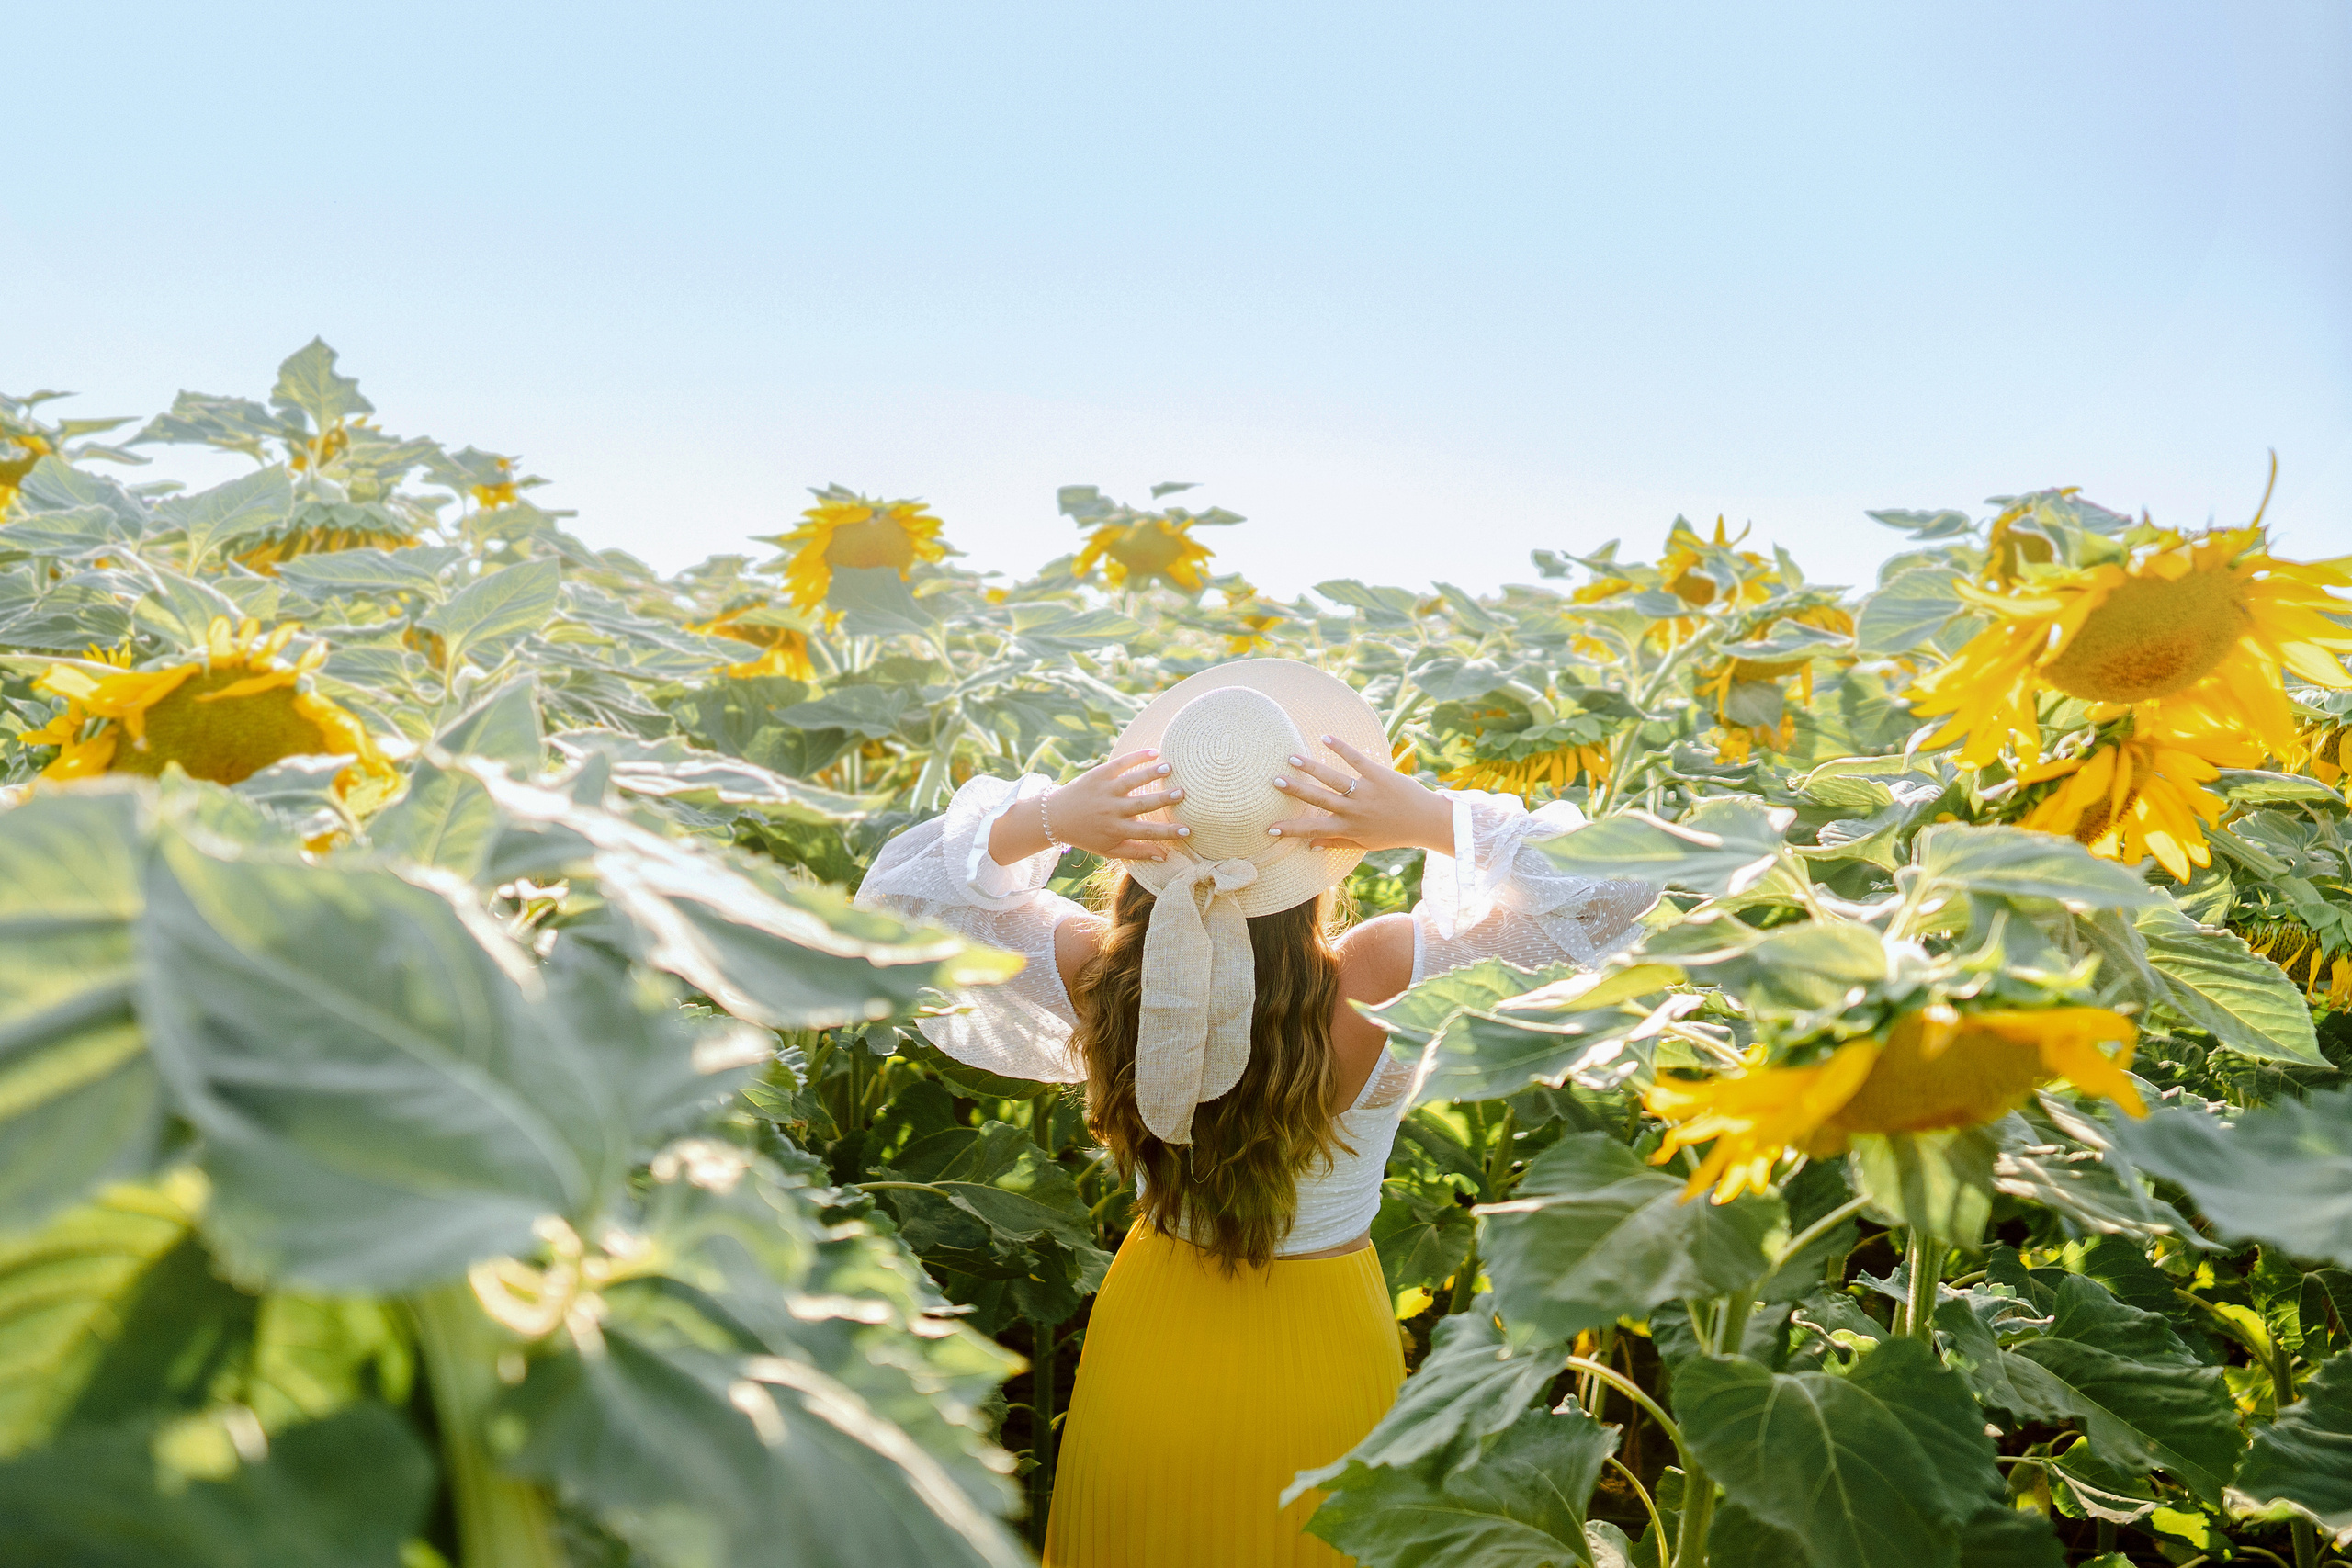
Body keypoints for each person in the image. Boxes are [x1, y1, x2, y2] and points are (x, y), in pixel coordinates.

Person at [854, 659, 1654, 1567]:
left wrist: (1048, 820)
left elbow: (891, 909)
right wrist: (1428, 818)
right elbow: (1616, 891)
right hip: (1324, 1348)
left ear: (1145, 845)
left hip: (1148, 1340)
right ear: (1325, 848)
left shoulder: (1100, 973)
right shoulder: (1382, 972)